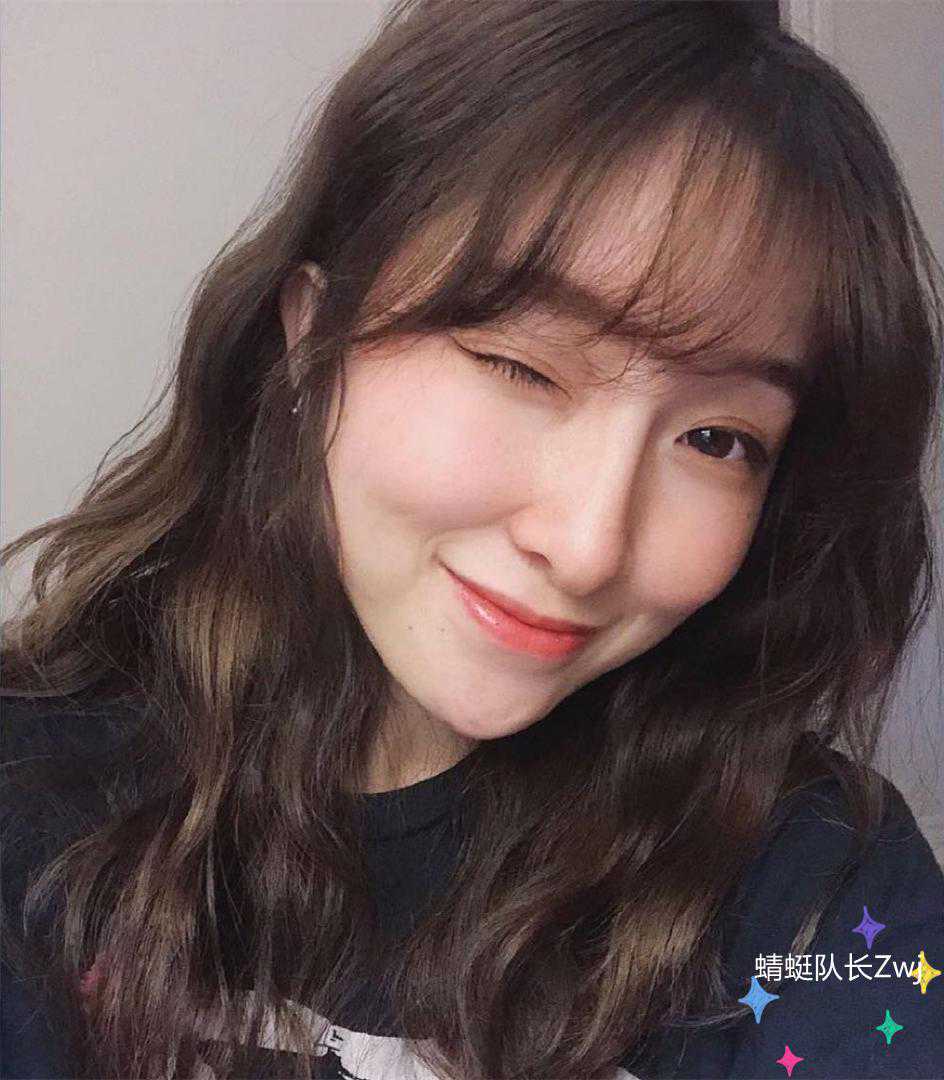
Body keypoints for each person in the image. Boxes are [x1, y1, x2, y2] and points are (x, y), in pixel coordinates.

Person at [2, 1, 943, 1077]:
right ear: (313, 337)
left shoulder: (817, 894)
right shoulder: (34, 801)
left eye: (716, 439)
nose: (589, 546)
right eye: (518, 367)